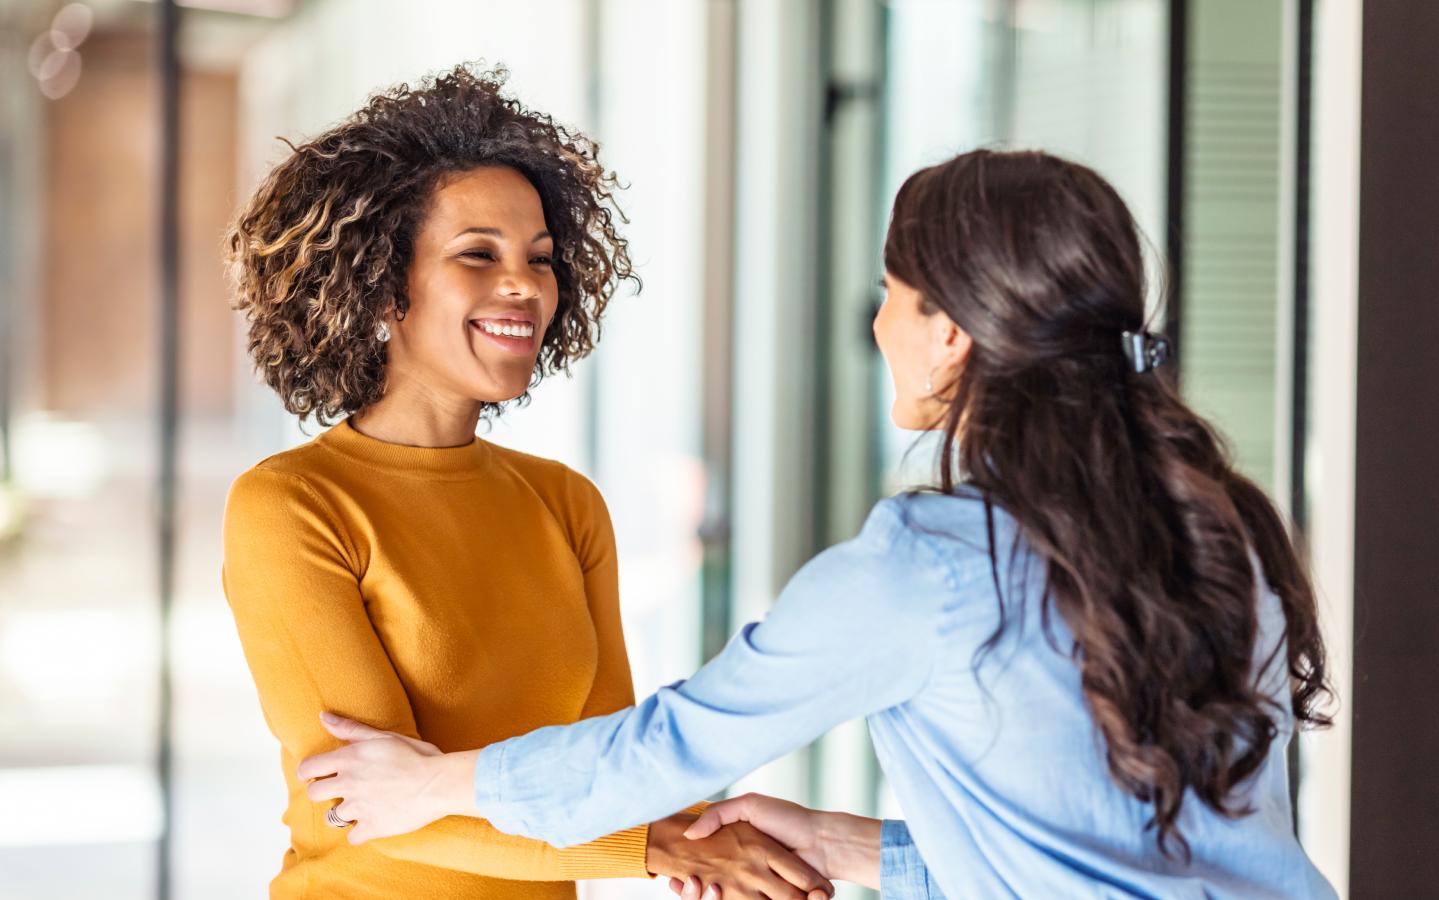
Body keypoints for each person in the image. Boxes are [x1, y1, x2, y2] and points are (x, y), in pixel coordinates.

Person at [303, 148, 1339, 900]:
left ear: (948, 334)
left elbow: (672, 746)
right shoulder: (1218, 529)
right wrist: (843, 846)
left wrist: (434, 783)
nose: (878, 323)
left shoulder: (927, 569)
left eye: (890, 293)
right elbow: (1111, 853)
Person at [220, 64, 831, 900]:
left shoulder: (565, 503)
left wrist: (729, 840)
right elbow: (372, 803)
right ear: (383, 284)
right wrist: (663, 849)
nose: (523, 286)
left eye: (540, 260)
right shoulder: (293, 505)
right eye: (479, 254)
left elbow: (608, 768)